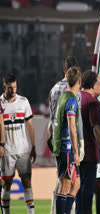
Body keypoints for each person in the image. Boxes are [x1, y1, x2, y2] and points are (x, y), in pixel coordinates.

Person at [48, 56, 84, 214]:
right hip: (66, 145)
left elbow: (53, 118)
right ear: (79, 81)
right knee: (66, 184)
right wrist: (77, 151)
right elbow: (72, 127)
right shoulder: (72, 99)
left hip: (58, 142)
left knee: (70, 183)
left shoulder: (59, 93)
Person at [0, 73, 36, 214]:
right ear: (4, 87)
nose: (13, 90)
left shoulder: (23, 102)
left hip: (23, 150)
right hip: (7, 151)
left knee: (27, 181)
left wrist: (33, 146)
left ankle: (31, 213)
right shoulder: (0, 103)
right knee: (7, 184)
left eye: (15, 87)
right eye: (10, 88)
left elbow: (30, 125)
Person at [76, 71, 100, 214]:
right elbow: (96, 128)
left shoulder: (76, 97)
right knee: (88, 190)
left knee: (78, 188)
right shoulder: (92, 102)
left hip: (76, 152)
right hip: (89, 152)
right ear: (94, 85)